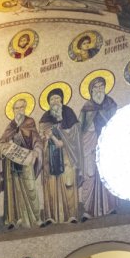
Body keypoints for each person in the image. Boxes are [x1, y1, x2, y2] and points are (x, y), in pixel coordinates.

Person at [37, 87, 81, 225]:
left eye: (57, 98)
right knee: (50, 186)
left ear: (62, 100)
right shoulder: (45, 118)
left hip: (67, 155)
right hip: (49, 157)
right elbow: (40, 137)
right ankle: (51, 215)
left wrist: (61, 138)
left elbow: (75, 134)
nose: (54, 101)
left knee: (68, 182)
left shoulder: (69, 114)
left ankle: (71, 214)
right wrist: (45, 137)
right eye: (51, 99)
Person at [79, 75, 119, 219]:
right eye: (95, 87)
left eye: (101, 87)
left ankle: (110, 207)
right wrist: (89, 134)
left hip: (107, 145)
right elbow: (81, 129)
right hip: (90, 145)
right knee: (90, 176)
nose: (98, 90)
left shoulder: (111, 104)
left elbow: (117, 123)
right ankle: (88, 210)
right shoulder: (86, 107)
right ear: (90, 90)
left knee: (108, 173)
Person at [0, 107, 44, 230]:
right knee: (13, 191)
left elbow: (37, 140)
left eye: (22, 108)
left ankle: (35, 218)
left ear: (25, 109)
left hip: (26, 161)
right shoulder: (11, 126)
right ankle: (14, 218)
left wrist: (36, 151)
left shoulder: (30, 122)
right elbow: (0, 143)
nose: (19, 110)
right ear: (13, 110)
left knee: (30, 189)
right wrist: (5, 146)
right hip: (11, 164)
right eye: (16, 108)